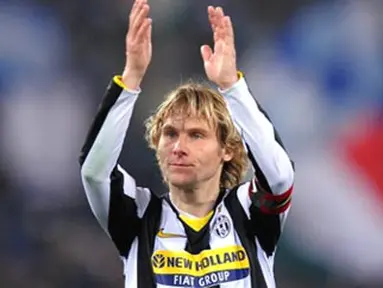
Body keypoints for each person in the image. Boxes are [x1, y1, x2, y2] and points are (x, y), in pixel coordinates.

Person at [79, 0, 295, 287]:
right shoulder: (139, 216)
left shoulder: (248, 213)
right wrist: (130, 79)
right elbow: (95, 172)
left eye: (196, 135)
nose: (178, 147)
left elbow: (279, 177)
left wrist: (232, 86)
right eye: (169, 134)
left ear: (227, 149)